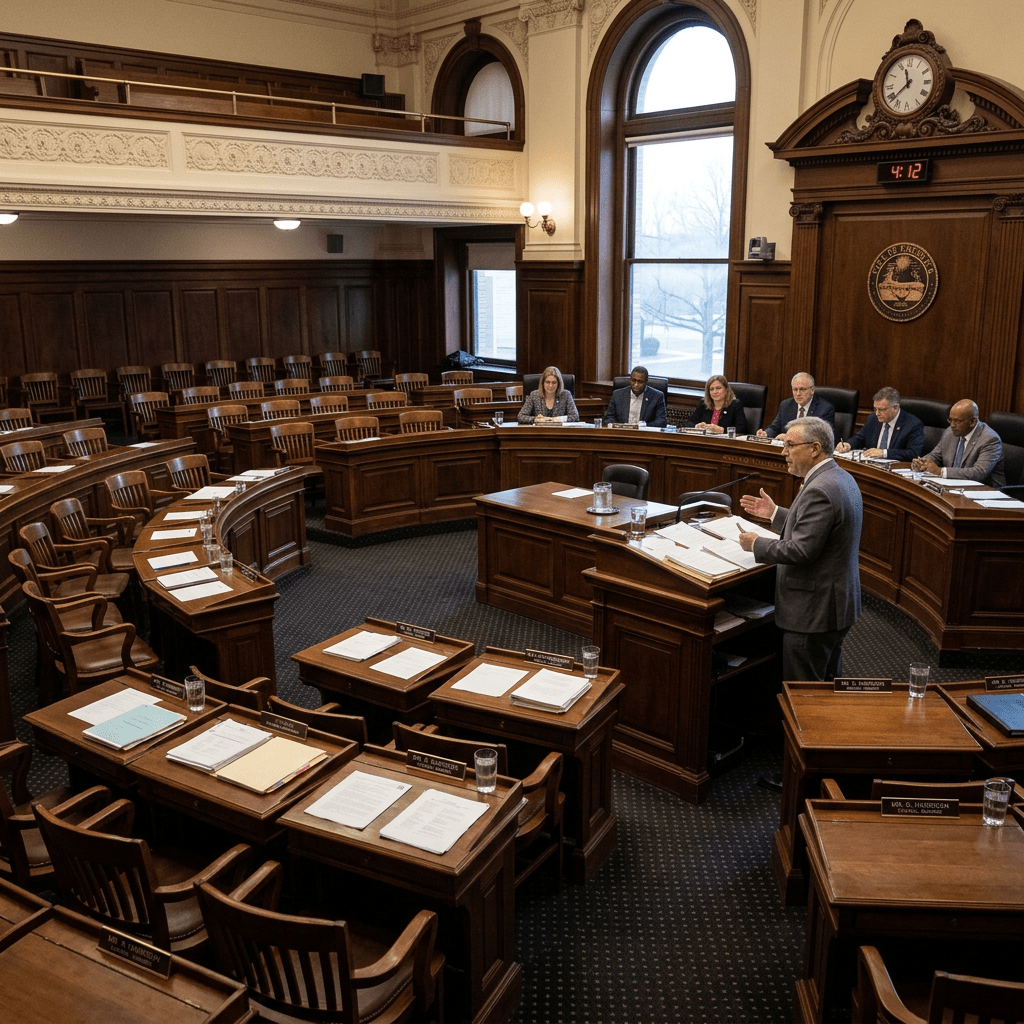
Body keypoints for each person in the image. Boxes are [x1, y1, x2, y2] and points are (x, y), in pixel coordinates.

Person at [738, 416, 862, 681]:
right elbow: (822, 530)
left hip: (813, 612)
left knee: (805, 693)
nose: (783, 453)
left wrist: (756, 544)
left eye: (790, 446)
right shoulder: (840, 477)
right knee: (828, 684)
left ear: (814, 448)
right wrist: (775, 514)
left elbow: (802, 551)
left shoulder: (820, 489)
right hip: (836, 605)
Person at [910, 399, 1005, 486]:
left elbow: (979, 473)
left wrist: (940, 471)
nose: (952, 425)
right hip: (954, 487)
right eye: (950, 420)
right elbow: (935, 455)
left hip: (984, 493)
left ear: (972, 421)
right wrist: (922, 463)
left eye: (957, 421)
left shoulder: (990, 439)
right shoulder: (949, 432)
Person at [835, 387, 926, 461]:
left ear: (895, 408)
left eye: (882, 410)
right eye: (875, 409)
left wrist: (884, 453)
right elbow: (860, 438)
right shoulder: (873, 419)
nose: (877, 413)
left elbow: (913, 453)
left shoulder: (913, 425)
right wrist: (848, 445)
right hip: (872, 466)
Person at [758, 372, 835, 439]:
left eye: (802, 389)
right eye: (795, 389)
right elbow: (775, 427)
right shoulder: (786, 405)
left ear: (812, 390)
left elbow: (821, 437)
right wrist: (766, 434)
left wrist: (790, 437)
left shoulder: (825, 409)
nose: (798, 393)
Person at [602, 365, 667, 427]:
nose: (636, 384)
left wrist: (643, 427)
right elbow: (608, 417)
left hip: (644, 435)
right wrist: (620, 427)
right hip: (622, 433)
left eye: (640, 382)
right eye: (633, 380)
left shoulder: (657, 396)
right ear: (630, 379)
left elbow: (661, 421)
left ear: (646, 382)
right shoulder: (617, 394)